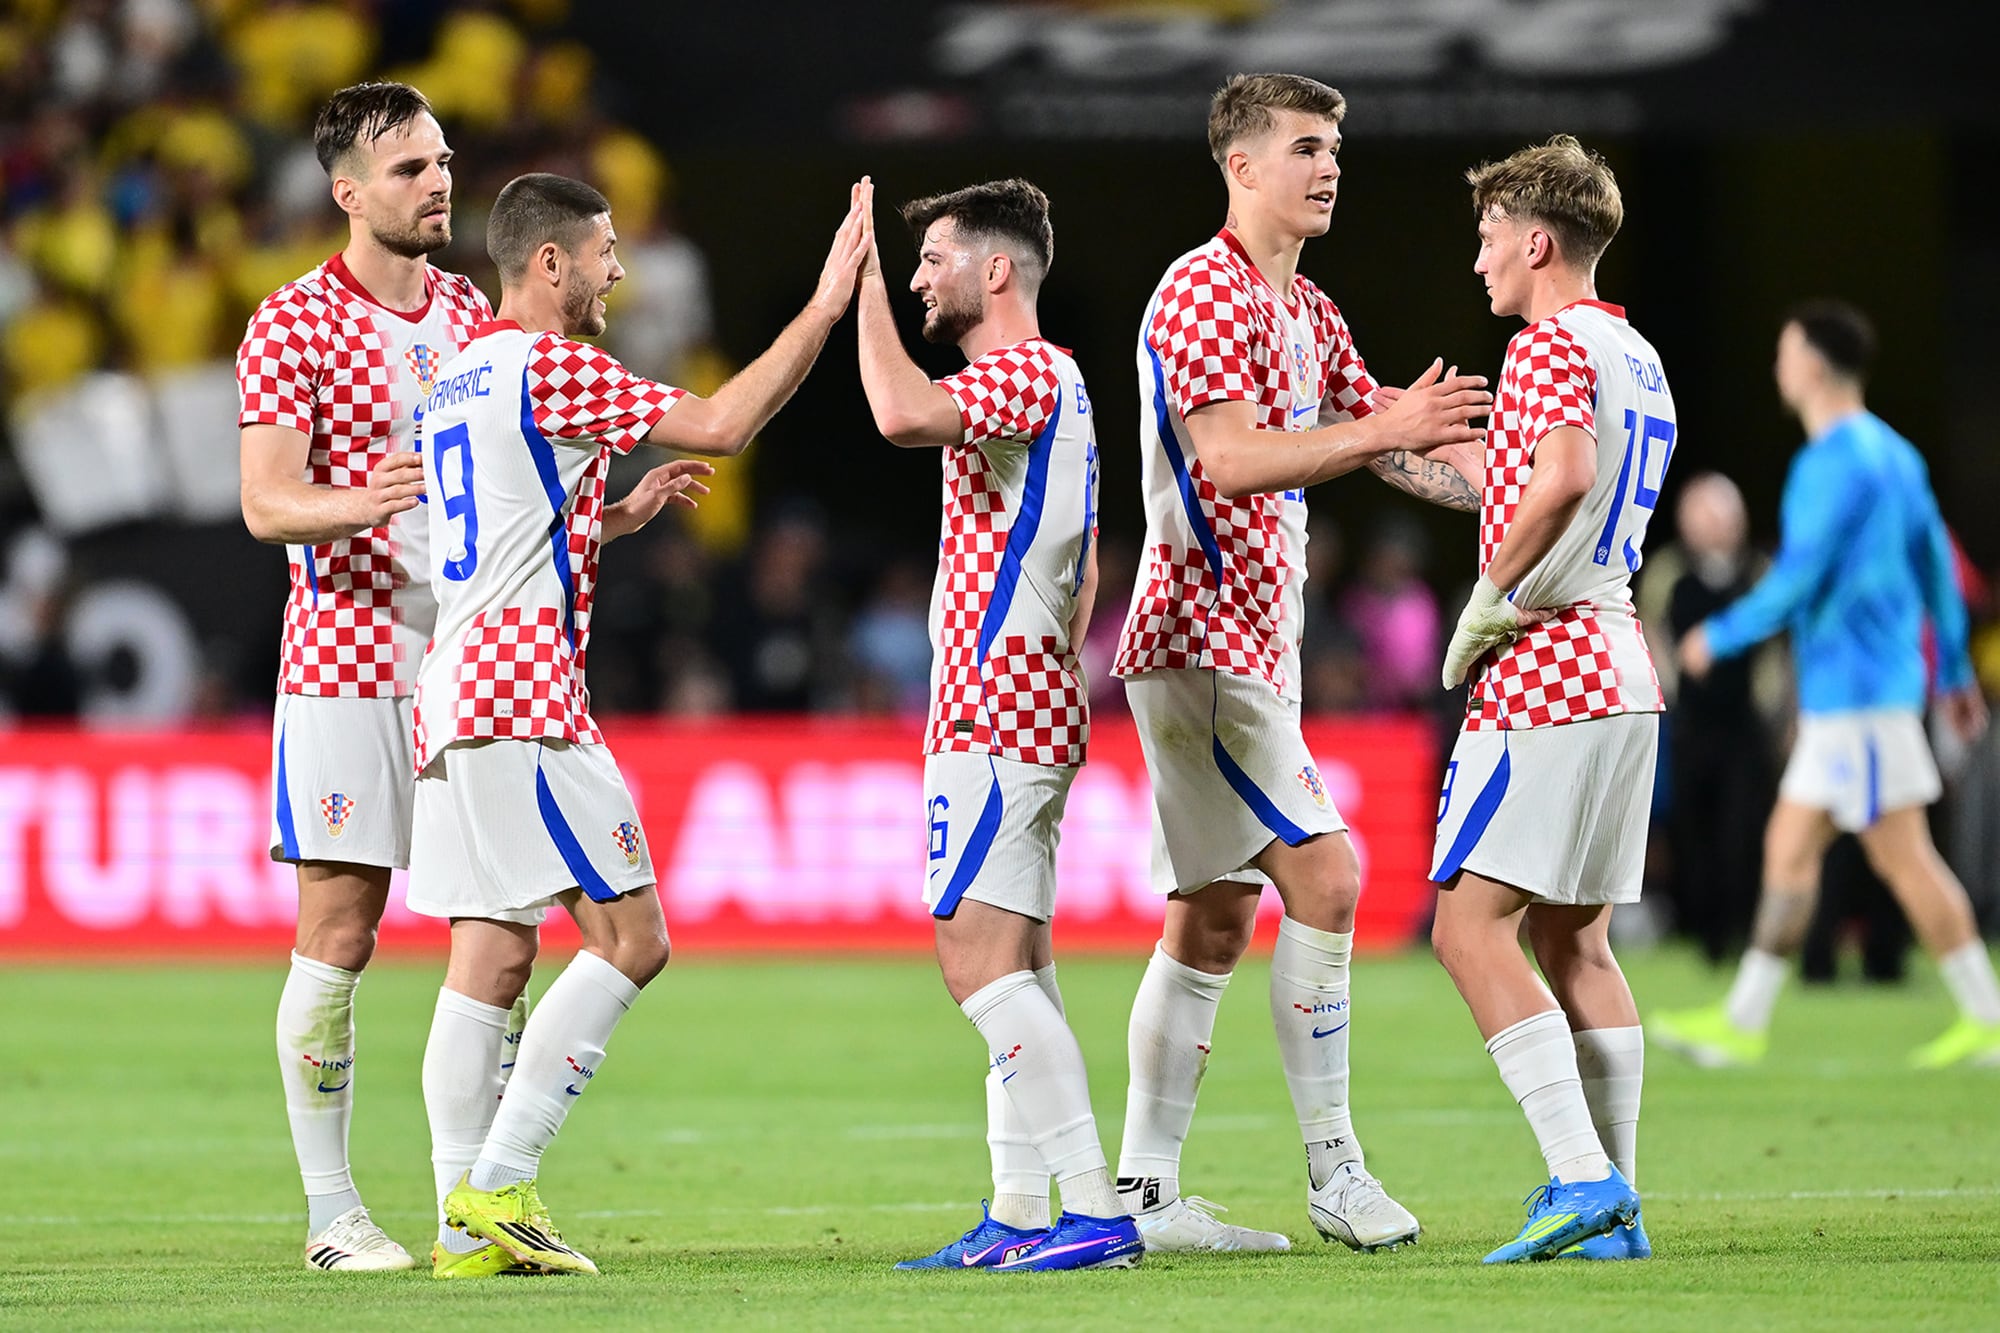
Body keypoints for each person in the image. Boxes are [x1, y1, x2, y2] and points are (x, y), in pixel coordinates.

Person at [411, 172, 869, 1277]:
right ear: (550, 263)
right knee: (632, 938)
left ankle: (456, 1227)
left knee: (489, 952)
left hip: (451, 687)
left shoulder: (459, 374)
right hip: (524, 696)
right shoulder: (550, 361)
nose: (622, 270)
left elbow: (501, 529)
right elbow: (719, 424)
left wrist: (609, 514)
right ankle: (502, 1179)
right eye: (607, 251)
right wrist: (823, 302)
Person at [1109, 71, 1489, 1255]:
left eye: (1336, 149)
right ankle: (1334, 1170)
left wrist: (1504, 488)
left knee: (1214, 918)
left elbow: (1379, 438)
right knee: (1327, 876)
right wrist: (1379, 430)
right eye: (1307, 147)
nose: (1329, 168)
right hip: (1201, 633)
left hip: (1234, 649)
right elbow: (1227, 460)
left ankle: (1142, 1193)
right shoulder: (1201, 291)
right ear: (1241, 164)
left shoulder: (1303, 308)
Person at [852, 175, 1141, 1272]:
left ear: (996, 269)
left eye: (933, 257)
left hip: (993, 707)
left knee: (974, 963)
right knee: (1016, 959)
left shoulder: (1027, 371)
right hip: (1019, 696)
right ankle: (1021, 1210)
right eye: (912, 260)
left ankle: (1092, 1206)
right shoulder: (1045, 392)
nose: (921, 274)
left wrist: (860, 285)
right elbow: (1083, 580)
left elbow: (894, 413)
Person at [236, 80, 493, 1273]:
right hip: (343, 659)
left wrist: (614, 516)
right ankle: (333, 1216)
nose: (437, 183)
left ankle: (476, 1205)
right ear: (348, 193)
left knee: (496, 924)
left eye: (441, 162)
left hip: (467, 658)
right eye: (408, 170)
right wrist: (366, 499)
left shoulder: (469, 307)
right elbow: (265, 501)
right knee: (340, 930)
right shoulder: (290, 323)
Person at [1650, 301, 2000, 1071]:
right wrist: (1956, 672)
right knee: (1790, 847)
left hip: (1861, 694)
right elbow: (1938, 566)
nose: (1777, 366)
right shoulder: (1899, 456)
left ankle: (1988, 1015)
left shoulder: (1830, 463)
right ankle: (1743, 1019)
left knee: (1903, 858)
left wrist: (1723, 634)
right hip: (1873, 689)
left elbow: (1800, 577)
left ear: (1811, 364)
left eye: (1783, 351)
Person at [1428, 134, 1665, 1264]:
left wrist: (1489, 595)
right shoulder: (1633, 352)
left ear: (1535, 241)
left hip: (1549, 667)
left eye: (1485, 238)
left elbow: (1561, 478)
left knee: (1467, 929)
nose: (1476, 262)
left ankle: (1578, 1180)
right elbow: (1519, 477)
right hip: (1622, 668)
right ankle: (1616, 1202)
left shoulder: (1544, 344)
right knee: (1578, 942)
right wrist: (1380, 433)